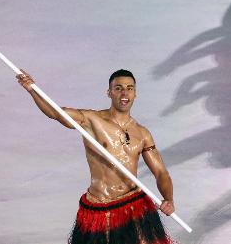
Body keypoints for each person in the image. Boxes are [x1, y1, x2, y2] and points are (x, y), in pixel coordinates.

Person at [17, 69, 176, 244]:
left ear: (135, 94)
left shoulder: (143, 133)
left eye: (129, 88)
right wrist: (32, 89)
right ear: (109, 92)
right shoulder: (92, 120)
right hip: (99, 207)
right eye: (118, 88)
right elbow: (56, 113)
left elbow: (161, 172)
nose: (124, 93)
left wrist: (168, 199)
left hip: (133, 205)